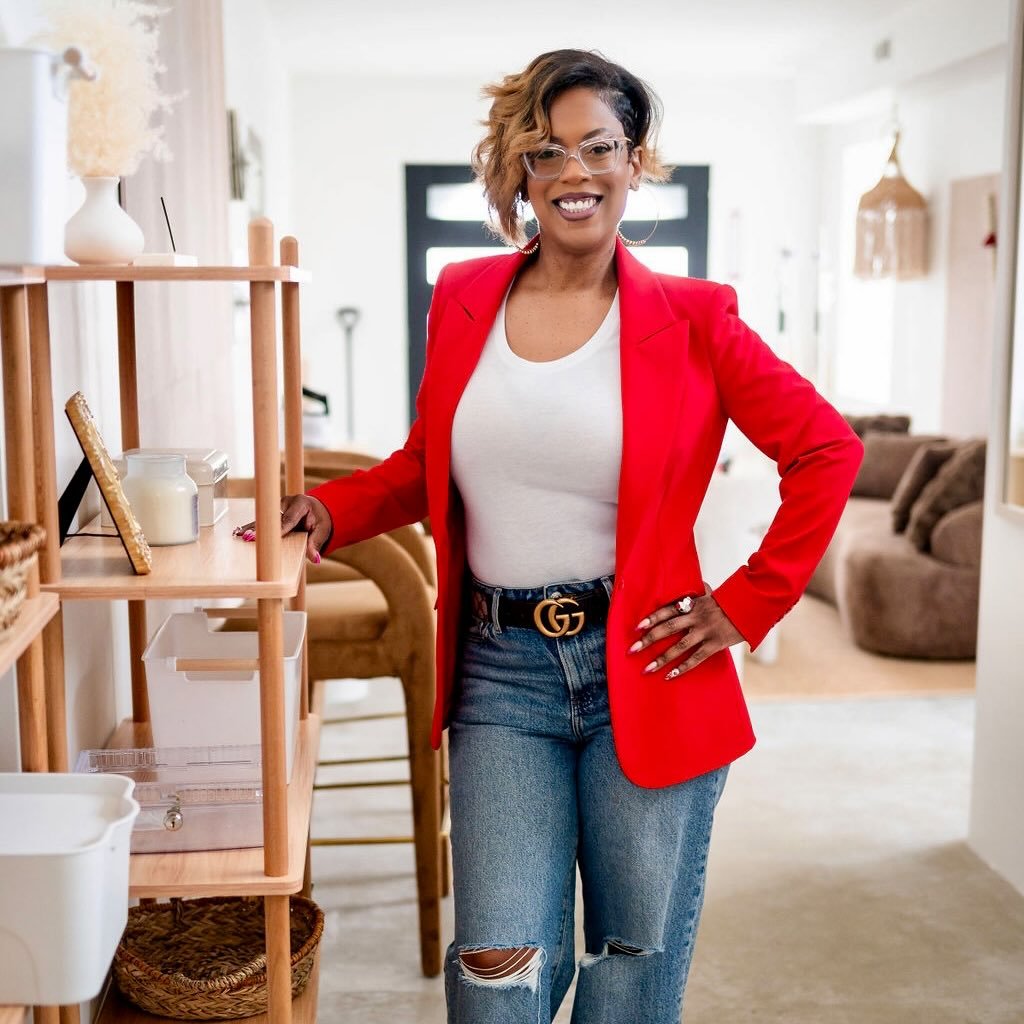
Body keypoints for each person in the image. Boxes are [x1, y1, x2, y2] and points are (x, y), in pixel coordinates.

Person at [238, 48, 864, 1024]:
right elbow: (427, 462)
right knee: (497, 973)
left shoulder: (696, 320)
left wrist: (745, 605)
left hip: (648, 665)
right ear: (517, 174)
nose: (574, 172)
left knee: (628, 969)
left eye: (597, 147)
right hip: (500, 674)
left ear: (633, 160)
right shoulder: (464, 297)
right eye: (546, 151)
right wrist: (333, 508)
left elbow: (826, 448)